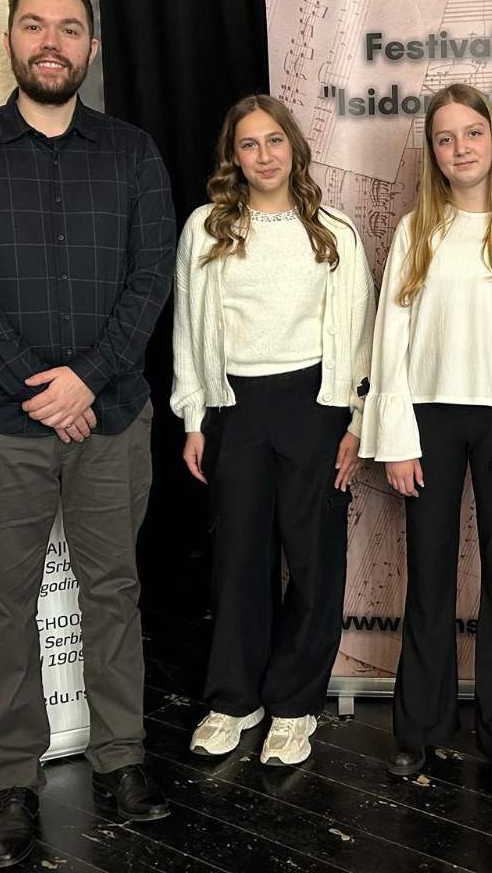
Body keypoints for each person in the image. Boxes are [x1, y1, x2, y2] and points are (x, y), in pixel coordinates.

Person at [0, 0, 175, 868]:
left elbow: (151, 279)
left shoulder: (133, 153)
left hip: (113, 419)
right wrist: (42, 385)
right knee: (6, 603)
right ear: (10, 43)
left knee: (113, 593)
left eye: (69, 28)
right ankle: (12, 781)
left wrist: (88, 380)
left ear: (90, 48)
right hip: (0, 421)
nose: (51, 42)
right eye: (34, 26)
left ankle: (121, 759)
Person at [360, 82, 492, 803]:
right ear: (433, 152)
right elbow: (391, 336)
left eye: (472, 133)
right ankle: (420, 728)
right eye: (445, 138)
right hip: (428, 420)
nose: (460, 148)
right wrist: (397, 436)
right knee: (429, 577)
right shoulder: (418, 229)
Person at [171, 93, 374, 766]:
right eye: (249, 144)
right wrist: (193, 415)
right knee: (239, 560)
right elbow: (188, 328)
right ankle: (235, 699)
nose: (264, 156)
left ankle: (293, 705)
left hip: (314, 404)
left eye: (274, 141)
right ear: (233, 156)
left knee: (314, 560)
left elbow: (362, 335)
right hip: (234, 406)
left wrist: (356, 421)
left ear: (294, 146)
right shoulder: (206, 229)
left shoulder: (335, 232)